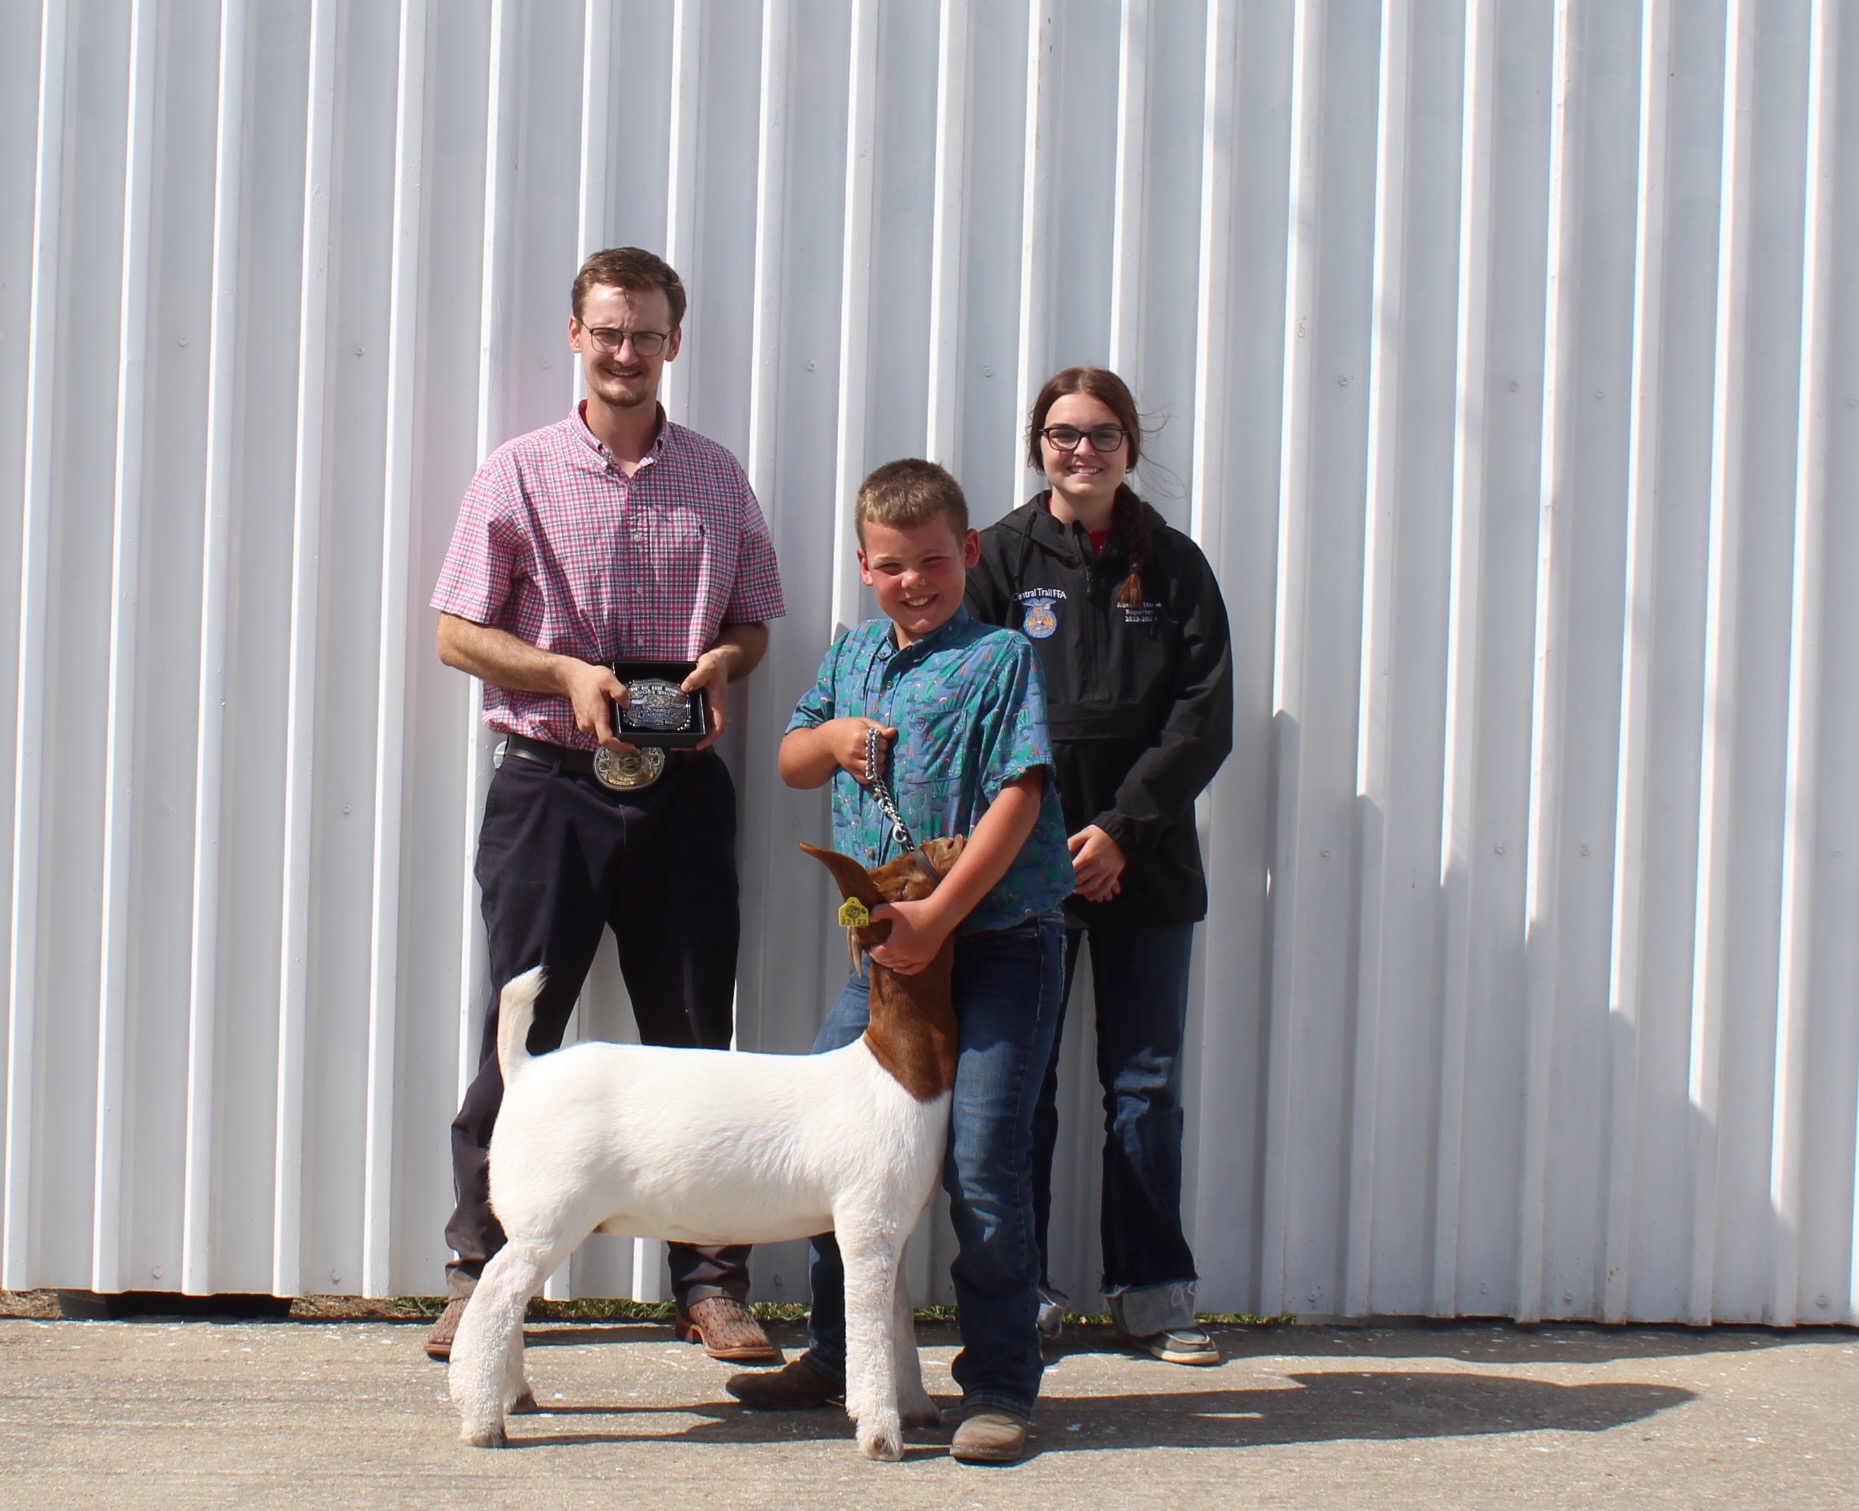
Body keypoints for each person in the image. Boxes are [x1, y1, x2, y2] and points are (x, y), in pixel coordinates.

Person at [424, 247, 787, 1366]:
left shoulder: (719, 477)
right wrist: (565, 675)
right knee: (521, 1029)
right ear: (575, 336)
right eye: (607, 331)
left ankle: (710, 1280)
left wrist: (722, 662)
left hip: (680, 791)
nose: (626, 352)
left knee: (692, 1041)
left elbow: (756, 618)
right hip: (549, 787)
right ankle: (477, 1271)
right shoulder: (518, 470)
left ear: (675, 342)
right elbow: (454, 632)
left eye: (646, 333)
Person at [726, 459, 1072, 1465]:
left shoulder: (1001, 656)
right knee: (835, 1144)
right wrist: (831, 734)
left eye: (931, 560)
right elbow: (791, 760)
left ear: (967, 552)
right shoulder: (852, 655)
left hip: (998, 940)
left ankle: (1000, 1382)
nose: (913, 580)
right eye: (890, 565)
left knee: (982, 1162)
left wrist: (936, 917)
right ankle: (840, 1352)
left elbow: (1018, 797)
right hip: (887, 963)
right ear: (863, 566)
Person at [965, 367, 1233, 1366]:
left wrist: (1121, 829)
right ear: (1038, 441)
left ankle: (1153, 1289)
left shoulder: (1173, 565)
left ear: (1130, 445)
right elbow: (974, 704)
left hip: (1147, 864)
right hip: (1021, 862)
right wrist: (1045, 842)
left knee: (1143, 1080)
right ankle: (1017, 1291)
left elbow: (1202, 717)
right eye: (1063, 433)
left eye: (1103, 434)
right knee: (1019, 1083)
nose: (1083, 451)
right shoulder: (995, 557)